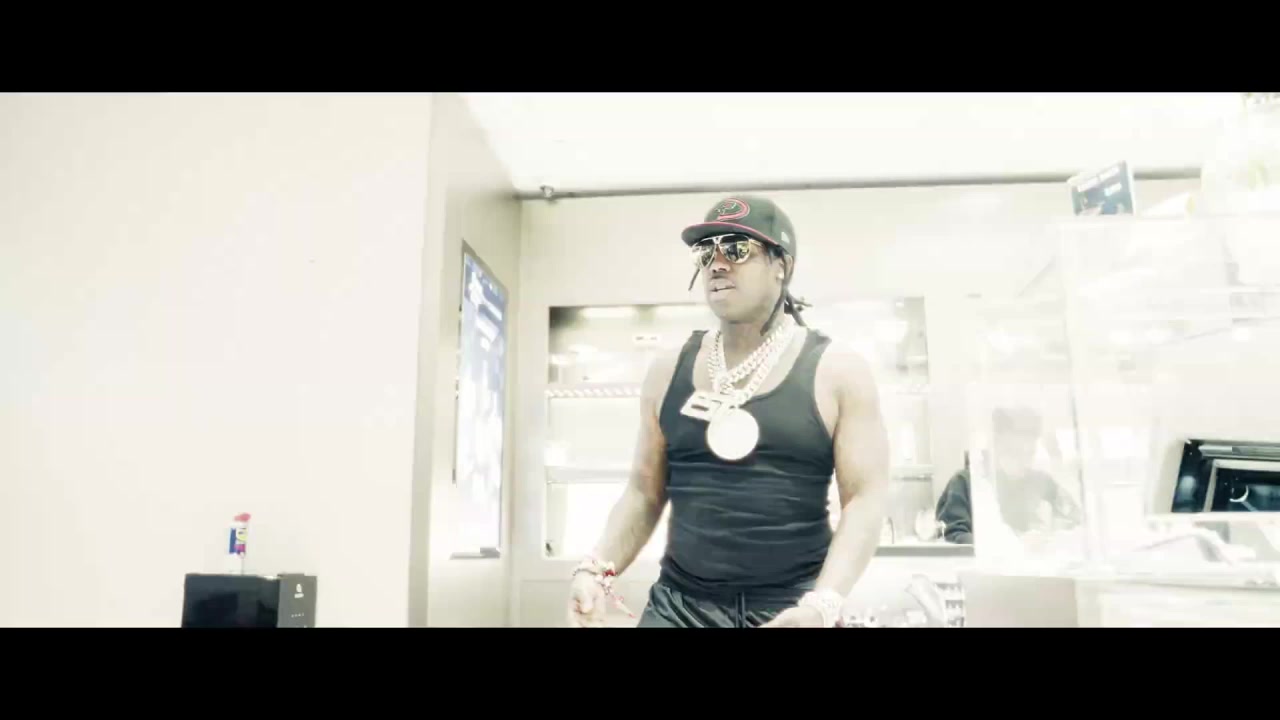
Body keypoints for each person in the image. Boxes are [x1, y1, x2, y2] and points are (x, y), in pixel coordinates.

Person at [567, 195, 890, 628]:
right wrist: (595, 570)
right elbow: (644, 493)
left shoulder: (838, 372)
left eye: (737, 249)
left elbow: (865, 500)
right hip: (679, 608)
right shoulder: (667, 371)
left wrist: (823, 604)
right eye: (706, 252)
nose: (717, 264)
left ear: (782, 265)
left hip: (794, 608)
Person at [934, 407, 1080, 544]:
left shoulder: (1043, 483)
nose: (1024, 462)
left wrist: (1051, 538)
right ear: (996, 446)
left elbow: (1075, 521)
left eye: (1030, 453)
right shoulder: (965, 483)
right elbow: (954, 537)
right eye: (1015, 452)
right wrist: (1013, 543)